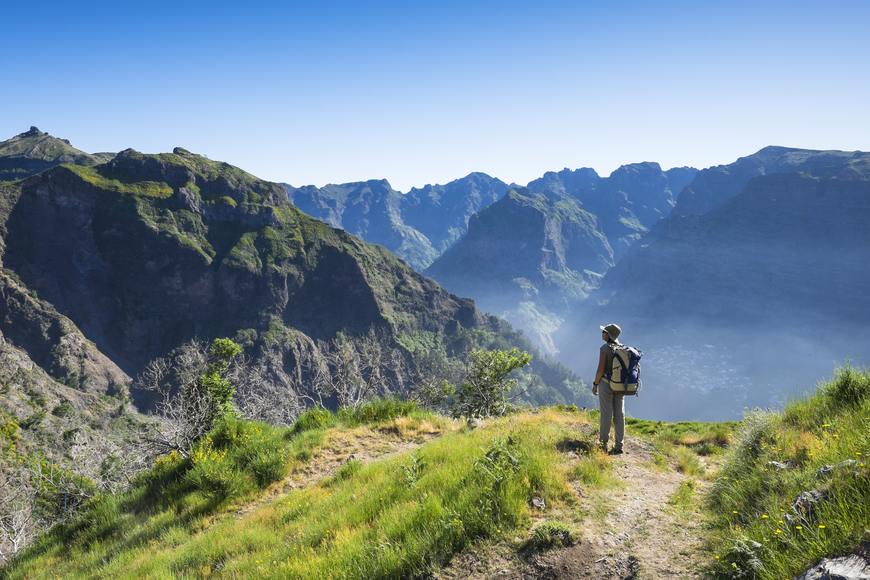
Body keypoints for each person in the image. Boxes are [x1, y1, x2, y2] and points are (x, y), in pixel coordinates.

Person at [593, 323, 625, 455]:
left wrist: (595, 384)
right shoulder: (622, 348)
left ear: (609, 335)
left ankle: (603, 444)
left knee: (606, 414)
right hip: (620, 385)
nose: (602, 334)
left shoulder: (605, 349)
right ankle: (619, 445)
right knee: (619, 414)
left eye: (604, 332)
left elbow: (600, 369)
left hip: (606, 384)